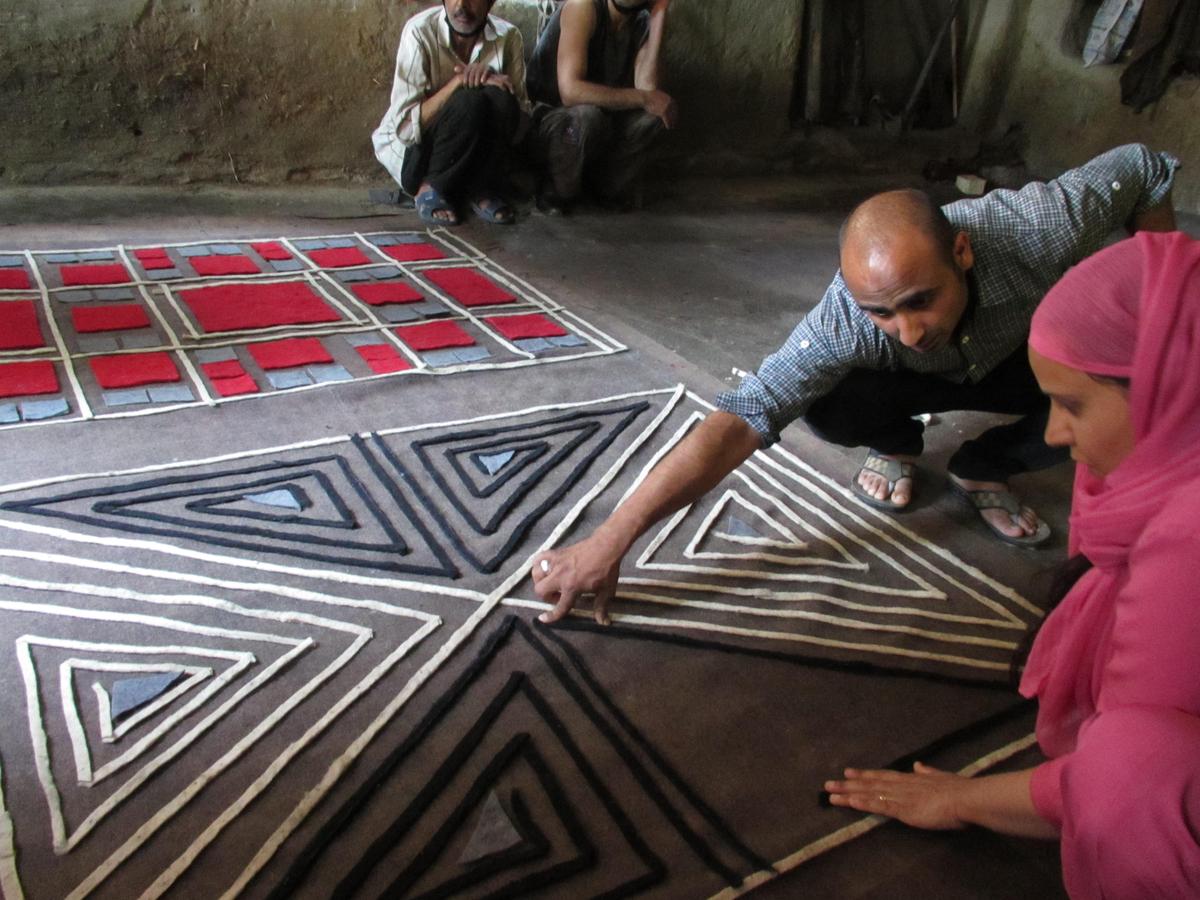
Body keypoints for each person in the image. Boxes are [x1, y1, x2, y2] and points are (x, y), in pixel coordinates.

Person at [531, 144, 1178, 625]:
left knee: (1115, 394)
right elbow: (743, 414)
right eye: (883, 312)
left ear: (962, 252)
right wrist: (610, 538)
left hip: (1022, 361)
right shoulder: (848, 319)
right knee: (831, 404)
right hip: (915, 389)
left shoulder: (1038, 224)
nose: (907, 329)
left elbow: (1148, 167)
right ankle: (897, 445)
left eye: (920, 301)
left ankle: (985, 464)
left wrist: (1160, 301)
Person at [824, 231, 1200, 899]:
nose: (1054, 434)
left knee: (1129, 768)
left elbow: (1129, 775)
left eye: (1076, 404)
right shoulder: (1170, 473)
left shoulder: (1188, 540)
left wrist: (963, 800)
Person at [372, 0, 530, 226]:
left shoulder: (509, 36)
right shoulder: (419, 31)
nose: (462, 5)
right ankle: (430, 187)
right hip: (415, 157)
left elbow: (520, 127)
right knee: (468, 100)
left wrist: (495, 84)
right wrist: (458, 83)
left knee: (500, 98)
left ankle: (479, 188)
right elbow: (406, 131)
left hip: (471, 156)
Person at [526, 0, 676, 212]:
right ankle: (557, 189)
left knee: (654, 117)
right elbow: (570, 92)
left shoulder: (641, 21)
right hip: (554, 125)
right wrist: (643, 98)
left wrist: (659, 15)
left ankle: (603, 189)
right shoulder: (584, 7)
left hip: (602, 126)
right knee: (586, 117)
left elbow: (649, 89)